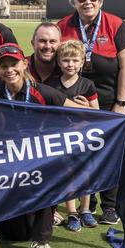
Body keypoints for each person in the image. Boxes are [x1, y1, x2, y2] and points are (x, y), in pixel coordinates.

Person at [0, 43, 86, 248]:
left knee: (49, 176)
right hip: (1, 162)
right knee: (15, 232)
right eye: (3, 65)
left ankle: (42, 241)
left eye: (14, 64)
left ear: (24, 63)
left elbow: (82, 112)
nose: (9, 70)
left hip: (34, 163)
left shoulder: (42, 92)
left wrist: (122, 118)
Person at [57, 0, 125, 225]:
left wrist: (120, 104)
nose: (88, 2)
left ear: (100, 0)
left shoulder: (114, 24)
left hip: (109, 103)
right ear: (74, 2)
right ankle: (84, 204)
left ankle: (110, 205)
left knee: (110, 155)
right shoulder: (63, 25)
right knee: (78, 156)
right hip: (72, 107)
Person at [46, 40, 99, 232]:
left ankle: (85, 209)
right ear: (58, 62)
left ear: (83, 61)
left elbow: (97, 112)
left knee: (86, 174)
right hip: (61, 138)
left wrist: (85, 107)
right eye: (66, 60)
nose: (70, 64)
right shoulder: (51, 84)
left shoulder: (87, 85)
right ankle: (72, 213)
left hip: (83, 138)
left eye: (75, 60)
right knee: (67, 175)